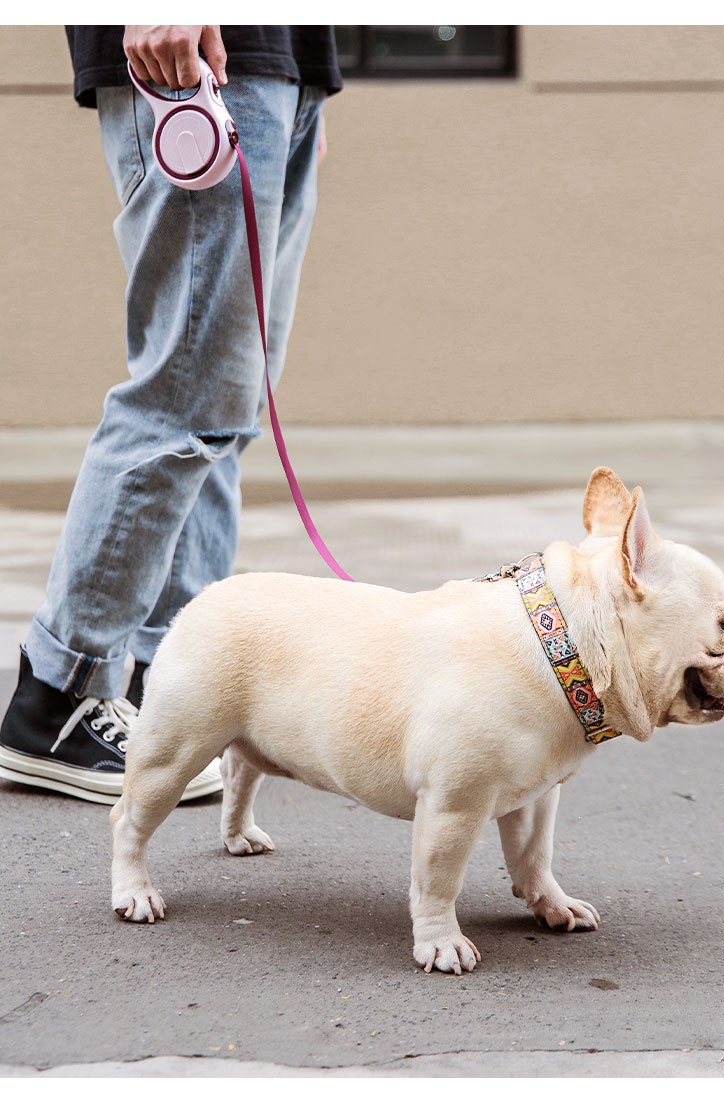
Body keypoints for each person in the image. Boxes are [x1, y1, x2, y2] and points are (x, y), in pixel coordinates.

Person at [0, 25, 343, 804]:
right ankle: (58, 695)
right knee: (185, 398)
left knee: (224, 410)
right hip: (196, 55)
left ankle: (173, 682)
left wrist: (302, 83)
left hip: (274, 67)